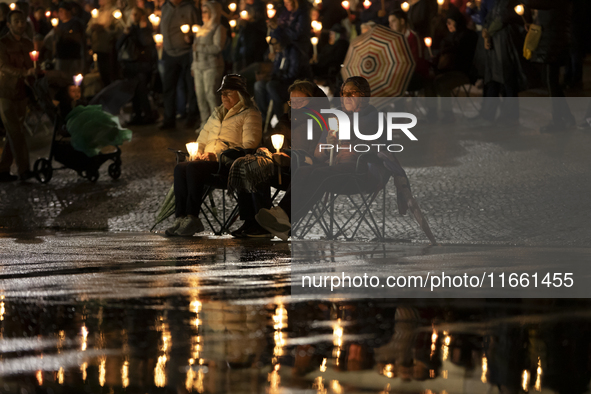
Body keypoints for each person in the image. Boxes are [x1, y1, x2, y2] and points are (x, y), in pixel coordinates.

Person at [256, 76, 383, 240]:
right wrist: (328, 145)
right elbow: (318, 153)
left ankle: (285, 220)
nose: (347, 97)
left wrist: (353, 146)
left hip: (361, 172)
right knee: (304, 170)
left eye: (353, 93)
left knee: (319, 174)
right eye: (344, 93)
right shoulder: (335, 117)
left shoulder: (374, 119)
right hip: (335, 167)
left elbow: (380, 149)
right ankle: (282, 216)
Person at [166, 75, 262, 237]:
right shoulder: (217, 113)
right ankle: (180, 218)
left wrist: (216, 156)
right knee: (181, 167)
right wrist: (198, 153)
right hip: (208, 164)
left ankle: (192, 217)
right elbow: (202, 139)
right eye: (222, 93)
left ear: (240, 94)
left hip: (229, 166)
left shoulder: (250, 114)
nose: (223, 97)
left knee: (193, 168)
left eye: (228, 93)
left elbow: (249, 145)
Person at [230, 80, 327, 238]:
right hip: (281, 167)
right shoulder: (287, 120)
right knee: (249, 166)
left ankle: (263, 226)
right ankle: (252, 221)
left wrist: (289, 156)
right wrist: (265, 150)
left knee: (259, 169)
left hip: (299, 174)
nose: (294, 105)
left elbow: (313, 156)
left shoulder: (318, 123)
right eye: (291, 101)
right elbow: (272, 141)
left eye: (300, 101)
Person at [525, 0, 575, 132]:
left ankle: (558, 121)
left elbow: (538, 3)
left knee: (551, 81)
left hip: (554, 40)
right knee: (552, 82)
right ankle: (567, 117)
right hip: (553, 39)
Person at [0, 10, 36, 182]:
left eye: (22, 21)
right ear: (9, 24)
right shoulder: (3, 43)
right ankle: (24, 170)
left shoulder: (28, 43)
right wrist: (23, 72)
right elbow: (3, 66)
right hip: (5, 93)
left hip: (22, 92)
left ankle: (3, 169)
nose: (20, 24)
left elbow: (32, 64)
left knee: (13, 132)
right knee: (16, 132)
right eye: (16, 21)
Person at [425, 7, 477, 122]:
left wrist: (446, 51)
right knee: (429, 80)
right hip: (447, 71)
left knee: (442, 83)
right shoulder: (448, 37)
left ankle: (447, 114)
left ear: (457, 22)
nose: (448, 25)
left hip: (463, 72)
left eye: (450, 22)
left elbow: (462, 55)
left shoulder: (468, 35)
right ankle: (432, 112)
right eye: (447, 23)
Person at [159, 0, 200, 130]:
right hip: (169, 53)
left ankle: (192, 117)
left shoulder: (189, 9)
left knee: (190, 85)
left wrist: (191, 38)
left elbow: (198, 29)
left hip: (186, 53)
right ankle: (169, 119)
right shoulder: (165, 7)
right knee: (168, 87)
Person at [254, 29, 307, 121]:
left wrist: (276, 78)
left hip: (291, 84)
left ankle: (281, 119)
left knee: (271, 86)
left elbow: (293, 73)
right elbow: (276, 71)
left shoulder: (293, 52)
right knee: (259, 85)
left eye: (276, 43)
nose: (274, 47)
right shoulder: (279, 53)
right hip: (280, 81)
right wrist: (268, 77)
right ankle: (264, 119)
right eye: (272, 44)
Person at [116, 6, 156, 125]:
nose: (133, 17)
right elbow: (118, 46)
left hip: (141, 64)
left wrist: (142, 29)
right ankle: (137, 114)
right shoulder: (129, 29)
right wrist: (125, 34)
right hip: (130, 65)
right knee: (133, 91)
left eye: (136, 14)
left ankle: (147, 115)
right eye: (132, 14)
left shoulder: (145, 29)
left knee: (142, 91)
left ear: (142, 16)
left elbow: (146, 43)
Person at [192, 1, 226, 130]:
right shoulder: (200, 29)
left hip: (212, 66)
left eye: (206, 11)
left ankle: (216, 125)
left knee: (210, 94)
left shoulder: (218, 28)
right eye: (202, 11)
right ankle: (204, 123)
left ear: (213, 13)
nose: (203, 14)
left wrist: (200, 47)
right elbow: (194, 50)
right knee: (200, 95)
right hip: (199, 66)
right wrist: (193, 66)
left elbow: (217, 48)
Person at [389, 10, 429, 92]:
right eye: (389, 22)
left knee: (394, 84)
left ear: (402, 21)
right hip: (403, 73)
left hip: (416, 74)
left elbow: (417, 61)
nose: (390, 25)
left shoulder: (412, 37)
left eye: (393, 21)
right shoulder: (396, 39)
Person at [87, 0, 118, 88]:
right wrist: (93, 28)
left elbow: (119, 30)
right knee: (102, 74)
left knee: (110, 73)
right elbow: (88, 29)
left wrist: (104, 29)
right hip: (97, 47)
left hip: (109, 48)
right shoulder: (97, 12)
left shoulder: (113, 12)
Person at [54, 2, 85, 76]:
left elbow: (77, 37)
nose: (60, 13)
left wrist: (63, 34)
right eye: (59, 11)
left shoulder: (76, 23)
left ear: (68, 11)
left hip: (72, 57)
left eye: (62, 11)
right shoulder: (59, 24)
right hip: (61, 57)